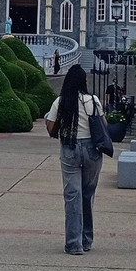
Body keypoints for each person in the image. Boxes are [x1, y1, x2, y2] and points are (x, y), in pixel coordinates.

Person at [44, 64, 104, 255]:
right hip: (92, 149)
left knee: (72, 196)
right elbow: (103, 124)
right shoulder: (93, 100)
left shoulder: (61, 101)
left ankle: (73, 243)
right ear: (84, 81)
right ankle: (86, 240)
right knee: (88, 194)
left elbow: (51, 128)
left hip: (70, 147)